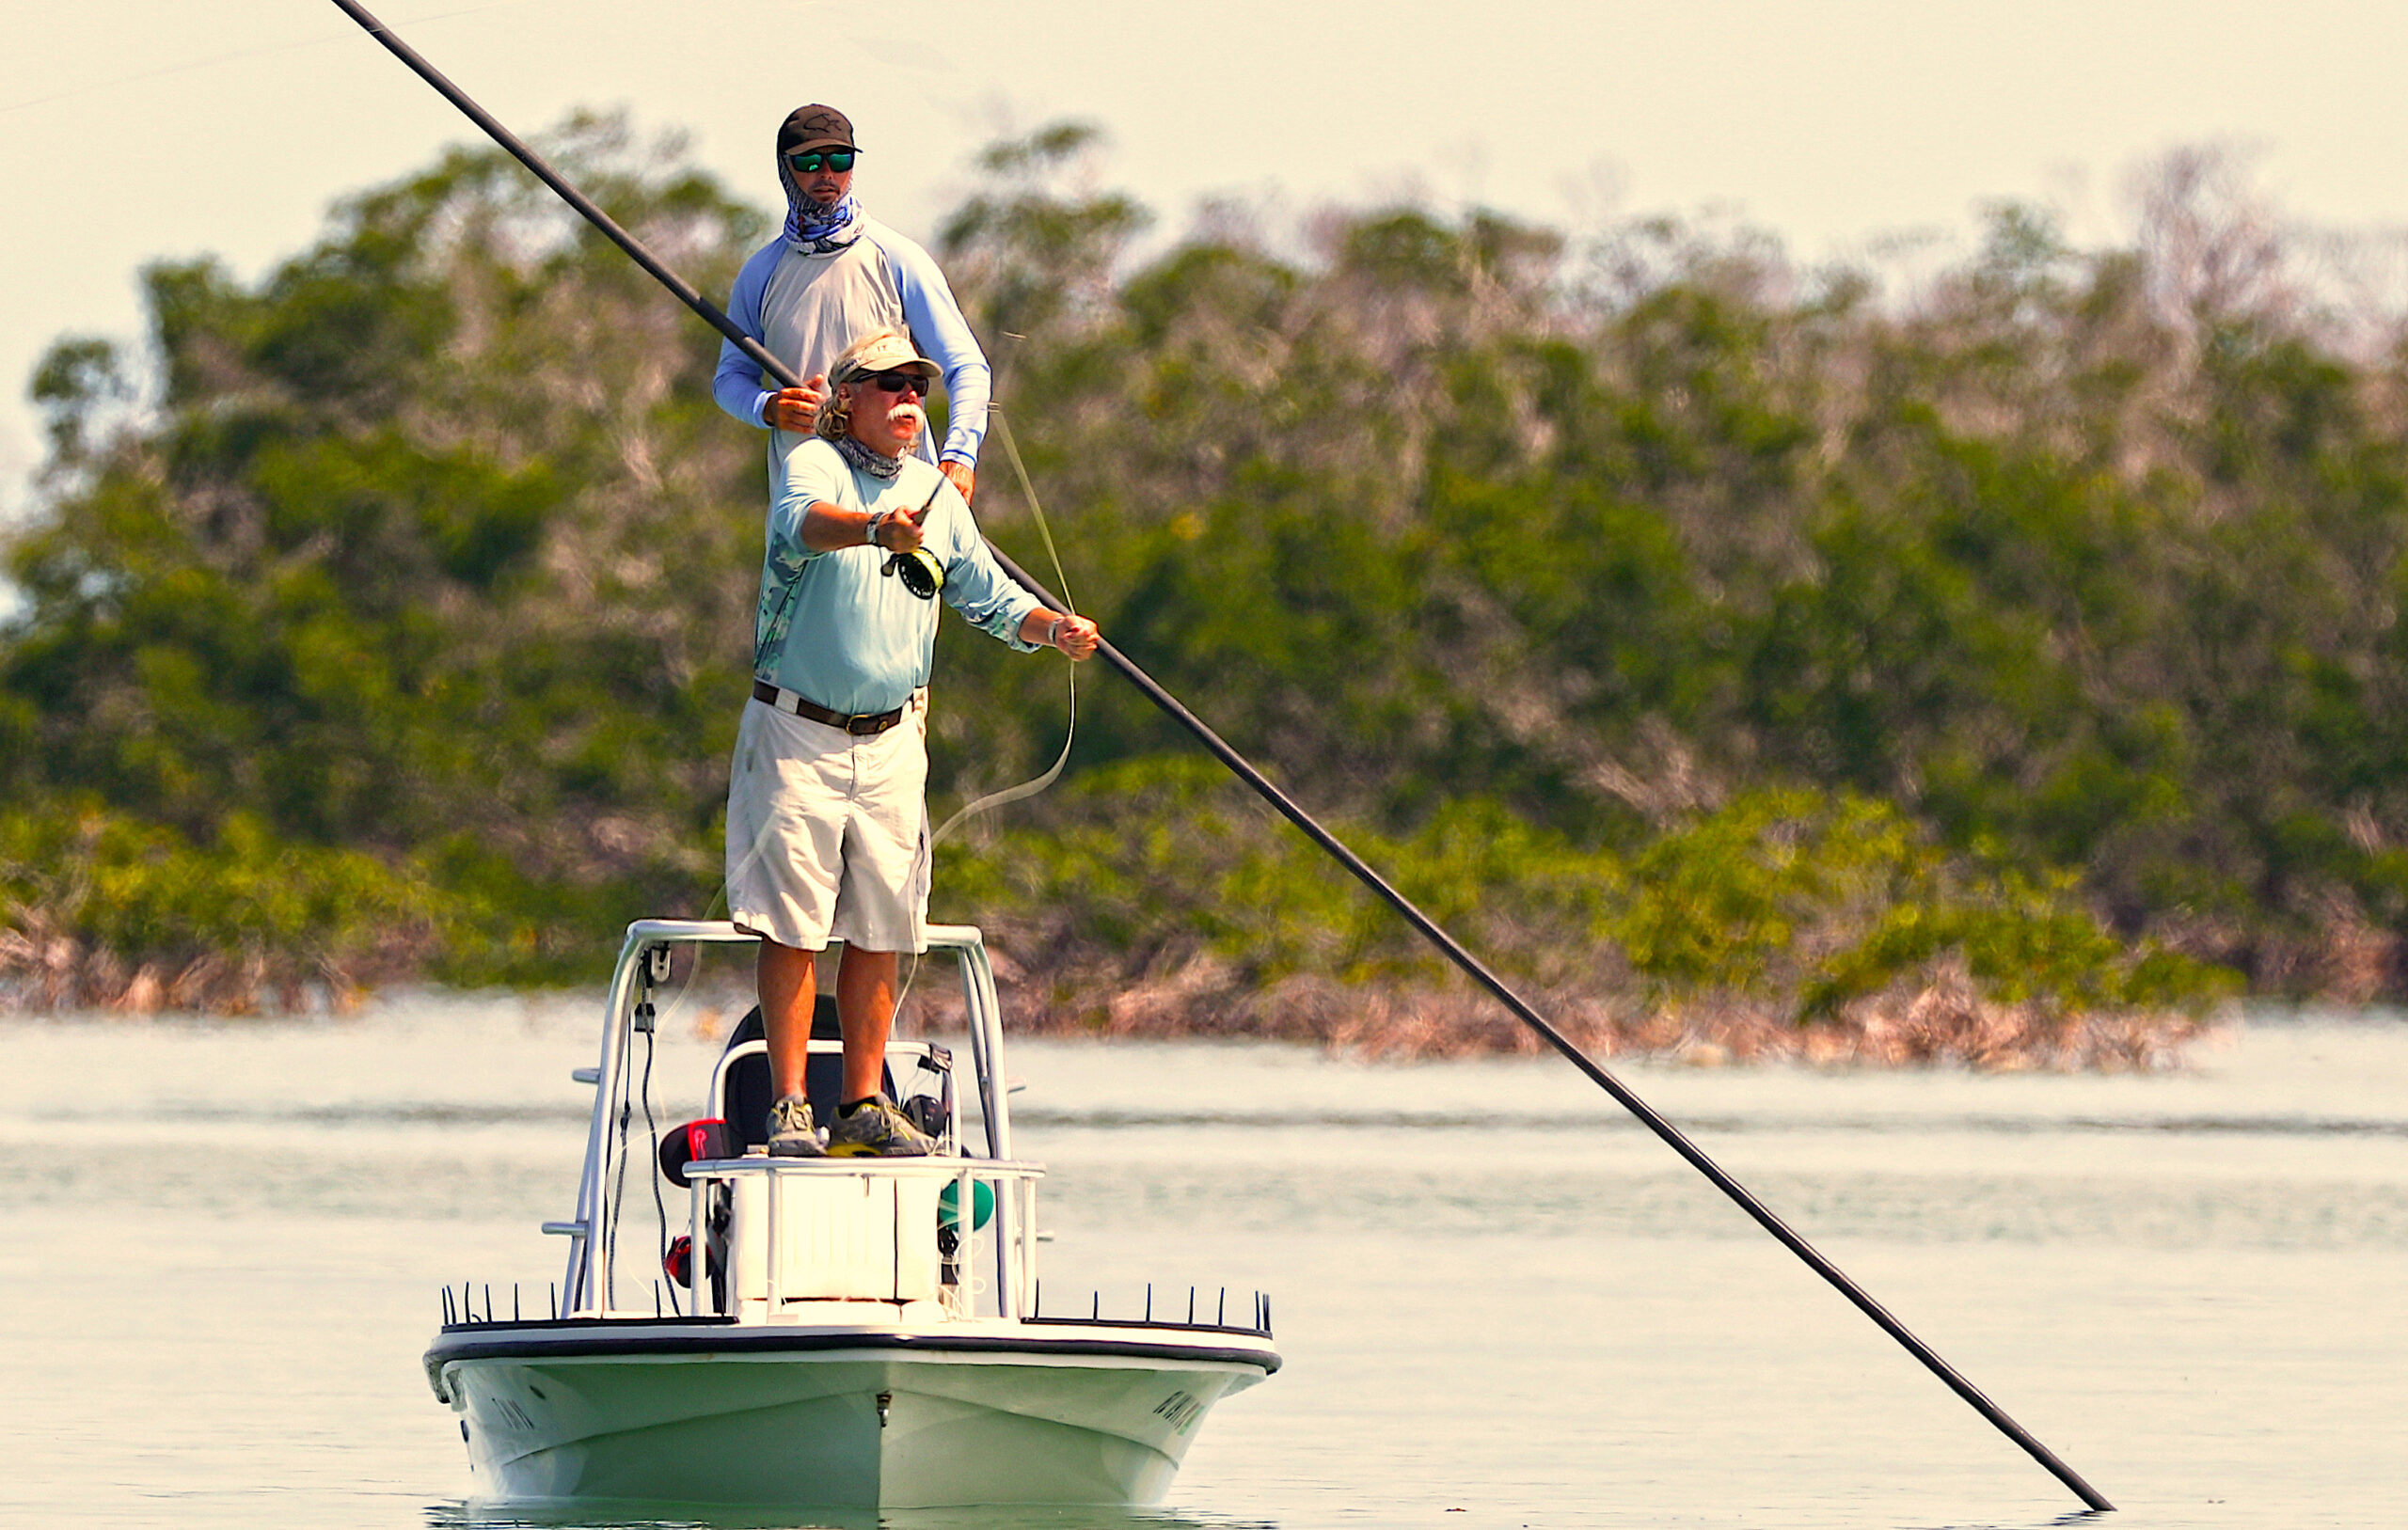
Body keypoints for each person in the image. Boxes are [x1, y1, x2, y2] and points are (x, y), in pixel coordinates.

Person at [728, 328, 1100, 1157]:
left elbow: (992, 598)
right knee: (793, 923)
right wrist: (874, 529)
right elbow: (804, 527)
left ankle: (862, 1101)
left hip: (895, 741)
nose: (906, 400)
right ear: (847, 399)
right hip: (799, 729)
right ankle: (790, 1104)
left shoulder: (938, 493)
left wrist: (1055, 630)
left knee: (884, 920)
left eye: (916, 388)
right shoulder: (814, 464)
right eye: (888, 386)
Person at [712, 103, 990, 510]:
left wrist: (960, 456)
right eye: (808, 161)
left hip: (905, 505)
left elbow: (967, 365)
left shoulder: (897, 257)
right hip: (810, 510)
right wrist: (768, 408)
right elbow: (729, 380)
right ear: (784, 168)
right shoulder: (760, 273)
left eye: (839, 159)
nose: (826, 174)